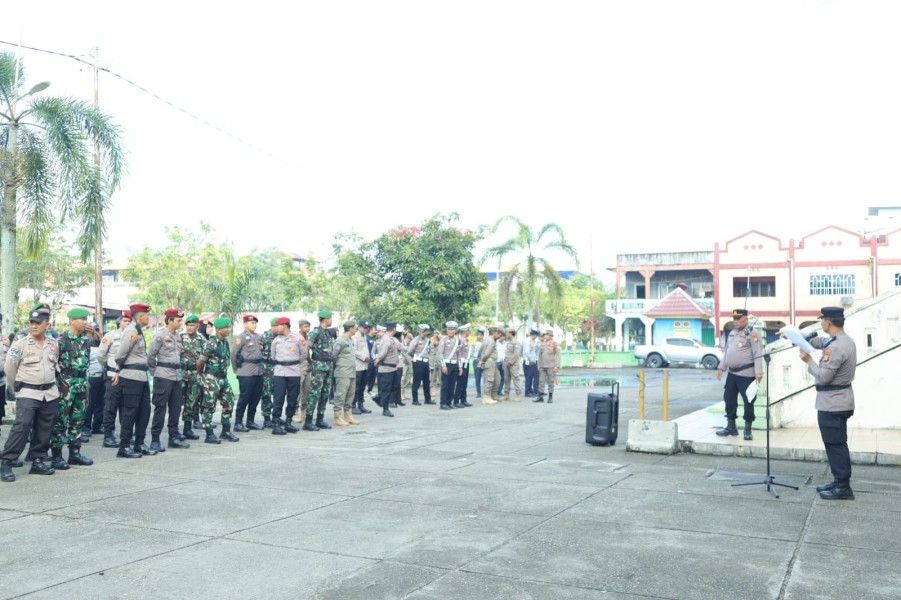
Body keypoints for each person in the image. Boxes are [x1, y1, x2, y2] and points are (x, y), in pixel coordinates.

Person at [800, 307, 857, 500]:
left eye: (821, 320)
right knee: (835, 443)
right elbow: (819, 342)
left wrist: (808, 360)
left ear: (828, 322)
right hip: (837, 401)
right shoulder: (840, 340)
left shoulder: (837, 346)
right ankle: (838, 481)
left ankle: (843, 487)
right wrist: (796, 338)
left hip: (833, 404)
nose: (821, 323)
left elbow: (824, 377)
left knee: (836, 444)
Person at [0, 309, 61, 481]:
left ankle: (38, 460)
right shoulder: (20, 344)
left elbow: (54, 365)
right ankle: (7, 461)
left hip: (49, 393)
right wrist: (17, 389)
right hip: (28, 391)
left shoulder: (53, 343)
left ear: (47, 325)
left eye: (38, 323)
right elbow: (9, 369)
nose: (33, 326)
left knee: (45, 427)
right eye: (31, 323)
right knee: (22, 425)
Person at [113, 304, 157, 458]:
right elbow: (119, 355)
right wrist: (122, 368)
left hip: (142, 377)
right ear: (140, 316)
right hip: (131, 376)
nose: (148, 318)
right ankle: (124, 446)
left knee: (144, 411)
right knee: (130, 412)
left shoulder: (138, 330)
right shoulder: (131, 331)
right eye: (147, 315)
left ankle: (139, 443)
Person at [715, 309, 763, 440]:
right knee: (729, 399)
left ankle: (748, 429)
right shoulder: (732, 333)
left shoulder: (753, 333)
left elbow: (758, 353)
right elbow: (727, 352)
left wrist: (759, 372)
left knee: (748, 401)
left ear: (746, 319)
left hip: (747, 374)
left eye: (738, 318)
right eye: (734, 319)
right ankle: (731, 427)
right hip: (732, 374)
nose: (735, 321)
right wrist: (721, 367)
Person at [147, 308, 189, 452]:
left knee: (176, 408)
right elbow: (151, 356)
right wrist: (156, 373)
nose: (180, 322)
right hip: (163, 376)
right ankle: (155, 439)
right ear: (169, 321)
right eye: (178, 320)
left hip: (177, 376)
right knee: (160, 408)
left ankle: (173, 437)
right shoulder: (160, 336)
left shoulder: (178, 336)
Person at [197, 317, 240, 444]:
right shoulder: (211, 343)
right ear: (219, 330)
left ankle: (225, 431)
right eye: (226, 327)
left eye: (229, 327)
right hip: (211, 377)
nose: (228, 329)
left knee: (229, 402)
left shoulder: (225, 342)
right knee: (209, 405)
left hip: (223, 378)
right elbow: (200, 362)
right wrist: (201, 375)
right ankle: (209, 433)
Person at [97, 311, 131, 448]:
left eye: (129, 321)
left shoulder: (133, 337)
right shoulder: (111, 336)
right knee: (110, 407)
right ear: (119, 322)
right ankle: (108, 436)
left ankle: (125, 435)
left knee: (126, 408)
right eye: (125, 321)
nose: (127, 324)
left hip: (128, 376)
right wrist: (110, 368)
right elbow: (100, 355)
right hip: (113, 377)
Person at [232, 314, 265, 432]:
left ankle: (250, 421)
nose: (254, 325)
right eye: (251, 323)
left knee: (255, 397)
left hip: (258, 371)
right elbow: (233, 354)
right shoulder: (240, 337)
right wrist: (236, 370)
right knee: (244, 398)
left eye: (255, 323)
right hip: (246, 371)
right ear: (245, 324)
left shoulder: (258, 337)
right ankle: (238, 423)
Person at [269, 317, 302, 435]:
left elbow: (303, 355)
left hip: (294, 371)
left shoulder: (298, 338)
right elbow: (273, 356)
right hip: (280, 372)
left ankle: (288, 422)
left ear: (284, 326)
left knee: (293, 398)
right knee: (278, 398)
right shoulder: (276, 340)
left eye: (278, 326)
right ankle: (276, 424)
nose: (276, 328)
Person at [305, 311, 335, 430]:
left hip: (328, 365)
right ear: (325, 319)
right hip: (318, 366)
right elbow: (306, 348)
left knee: (325, 394)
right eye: (330, 318)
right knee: (314, 393)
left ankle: (320, 419)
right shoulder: (315, 332)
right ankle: (308, 421)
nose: (331, 320)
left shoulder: (327, 332)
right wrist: (310, 361)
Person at [179, 315, 204, 441]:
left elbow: (205, 358)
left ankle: (187, 429)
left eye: (192, 325)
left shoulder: (202, 340)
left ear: (197, 326)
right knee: (176, 403)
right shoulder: (180, 338)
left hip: (194, 375)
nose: (189, 328)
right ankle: (174, 430)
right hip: (181, 374)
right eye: (188, 325)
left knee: (191, 403)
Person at [331, 320, 359, 426]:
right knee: (341, 395)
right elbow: (334, 356)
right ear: (351, 328)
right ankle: (337, 417)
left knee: (350, 395)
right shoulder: (340, 340)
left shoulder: (350, 340)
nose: (355, 329)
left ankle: (348, 415)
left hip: (351, 372)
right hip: (342, 372)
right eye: (355, 328)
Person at [375, 322, 402, 417]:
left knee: (394, 386)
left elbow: (401, 347)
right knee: (386, 389)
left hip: (393, 368)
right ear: (394, 329)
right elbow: (383, 353)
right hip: (386, 368)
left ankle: (379, 397)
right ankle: (385, 409)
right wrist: (378, 359)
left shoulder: (391, 339)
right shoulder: (386, 340)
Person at [84, 328, 106, 441]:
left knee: (101, 404)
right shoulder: (86, 347)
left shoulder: (103, 346)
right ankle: (86, 427)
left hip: (102, 377)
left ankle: (97, 425)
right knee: (90, 404)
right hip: (92, 377)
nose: (95, 334)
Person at [437, 322, 463, 410]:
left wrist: (460, 367)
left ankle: (449, 402)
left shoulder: (458, 341)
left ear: (455, 330)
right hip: (446, 365)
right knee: (445, 385)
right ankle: (443, 403)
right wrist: (443, 366)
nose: (450, 331)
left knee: (452, 385)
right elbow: (440, 353)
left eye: (452, 329)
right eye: (449, 329)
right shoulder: (443, 340)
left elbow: (459, 354)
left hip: (455, 364)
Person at [259, 318, 278, 427]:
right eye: (277, 326)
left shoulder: (280, 337)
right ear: (272, 326)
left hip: (278, 368)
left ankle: (276, 417)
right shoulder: (264, 337)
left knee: (278, 393)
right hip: (266, 368)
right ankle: (267, 418)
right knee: (266, 393)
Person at [352, 321, 374, 414]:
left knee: (362, 387)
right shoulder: (355, 337)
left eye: (367, 328)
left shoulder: (365, 337)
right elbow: (354, 350)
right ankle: (353, 406)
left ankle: (360, 405)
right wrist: (364, 357)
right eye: (364, 328)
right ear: (359, 327)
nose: (366, 329)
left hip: (365, 366)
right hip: (358, 366)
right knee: (355, 387)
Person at [407, 324, 432, 405]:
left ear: (427, 332)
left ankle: (427, 399)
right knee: (416, 381)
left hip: (425, 362)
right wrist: (413, 359)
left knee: (426, 382)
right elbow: (410, 351)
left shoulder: (428, 341)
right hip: (418, 362)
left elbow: (429, 352)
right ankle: (415, 400)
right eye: (421, 331)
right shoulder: (415, 340)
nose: (422, 333)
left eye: (424, 331)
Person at [535, 330, 561, 403]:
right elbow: (540, 355)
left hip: (551, 366)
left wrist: (557, 366)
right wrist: (539, 365)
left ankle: (550, 397)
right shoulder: (543, 344)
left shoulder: (554, 344)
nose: (545, 336)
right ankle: (540, 396)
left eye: (547, 335)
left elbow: (558, 355)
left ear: (550, 336)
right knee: (541, 381)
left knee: (551, 381)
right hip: (543, 365)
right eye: (545, 335)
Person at [477, 327, 500, 405]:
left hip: (491, 362)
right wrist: (482, 361)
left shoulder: (486, 340)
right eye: (497, 333)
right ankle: (486, 397)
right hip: (489, 361)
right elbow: (486, 353)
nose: (498, 335)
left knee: (497, 379)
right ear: (494, 333)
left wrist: (480, 358)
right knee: (489, 380)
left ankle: (493, 395)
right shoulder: (491, 341)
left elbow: (480, 351)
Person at [453, 324, 472, 408]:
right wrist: (460, 365)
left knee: (464, 383)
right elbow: (458, 353)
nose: (469, 332)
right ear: (465, 331)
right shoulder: (460, 340)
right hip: (461, 363)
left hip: (465, 363)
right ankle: (456, 401)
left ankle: (463, 399)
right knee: (460, 383)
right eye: (468, 330)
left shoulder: (464, 339)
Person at [504, 327, 524, 401]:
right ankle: (506, 395)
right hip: (506, 363)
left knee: (516, 379)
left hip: (513, 364)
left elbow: (516, 354)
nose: (506, 334)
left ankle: (519, 395)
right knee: (506, 379)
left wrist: (510, 362)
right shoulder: (509, 342)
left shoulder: (516, 342)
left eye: (507, 333)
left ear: (511, 333)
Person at [522, 329, 540, 397]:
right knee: (528, 377)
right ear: (534, 335)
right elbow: (526, 352)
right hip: (528, 362)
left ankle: (530, 390)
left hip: (532, 361)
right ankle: (527, 392)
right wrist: (530, 359)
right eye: (536, 336)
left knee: (531, 377)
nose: (536, 337)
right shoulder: (527, 341)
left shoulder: (532, 341)